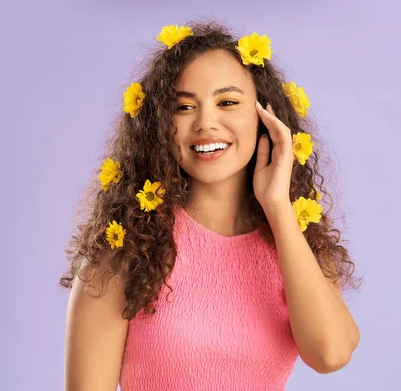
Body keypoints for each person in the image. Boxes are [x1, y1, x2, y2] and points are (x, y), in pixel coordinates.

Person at [60, 20, 361, 391]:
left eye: (228, 102)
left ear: (265, 116)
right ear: (161, 126)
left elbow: (330, 355)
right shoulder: (123, 255)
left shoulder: (297, 247)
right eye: (184, 107)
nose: (206, 122)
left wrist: (278, 207)